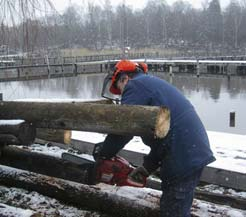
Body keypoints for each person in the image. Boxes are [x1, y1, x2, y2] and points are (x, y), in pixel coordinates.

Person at [94, 59, 216, 217]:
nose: (123, 95)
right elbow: (163, 139)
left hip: (183, 152)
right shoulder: (149, 84)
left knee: (173, 211)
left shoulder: (135, 85)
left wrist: (104, 153)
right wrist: (146, 168)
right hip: (189, 149)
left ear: (124, 78)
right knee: (174, 205)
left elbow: (125, 127)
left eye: (120, 89)